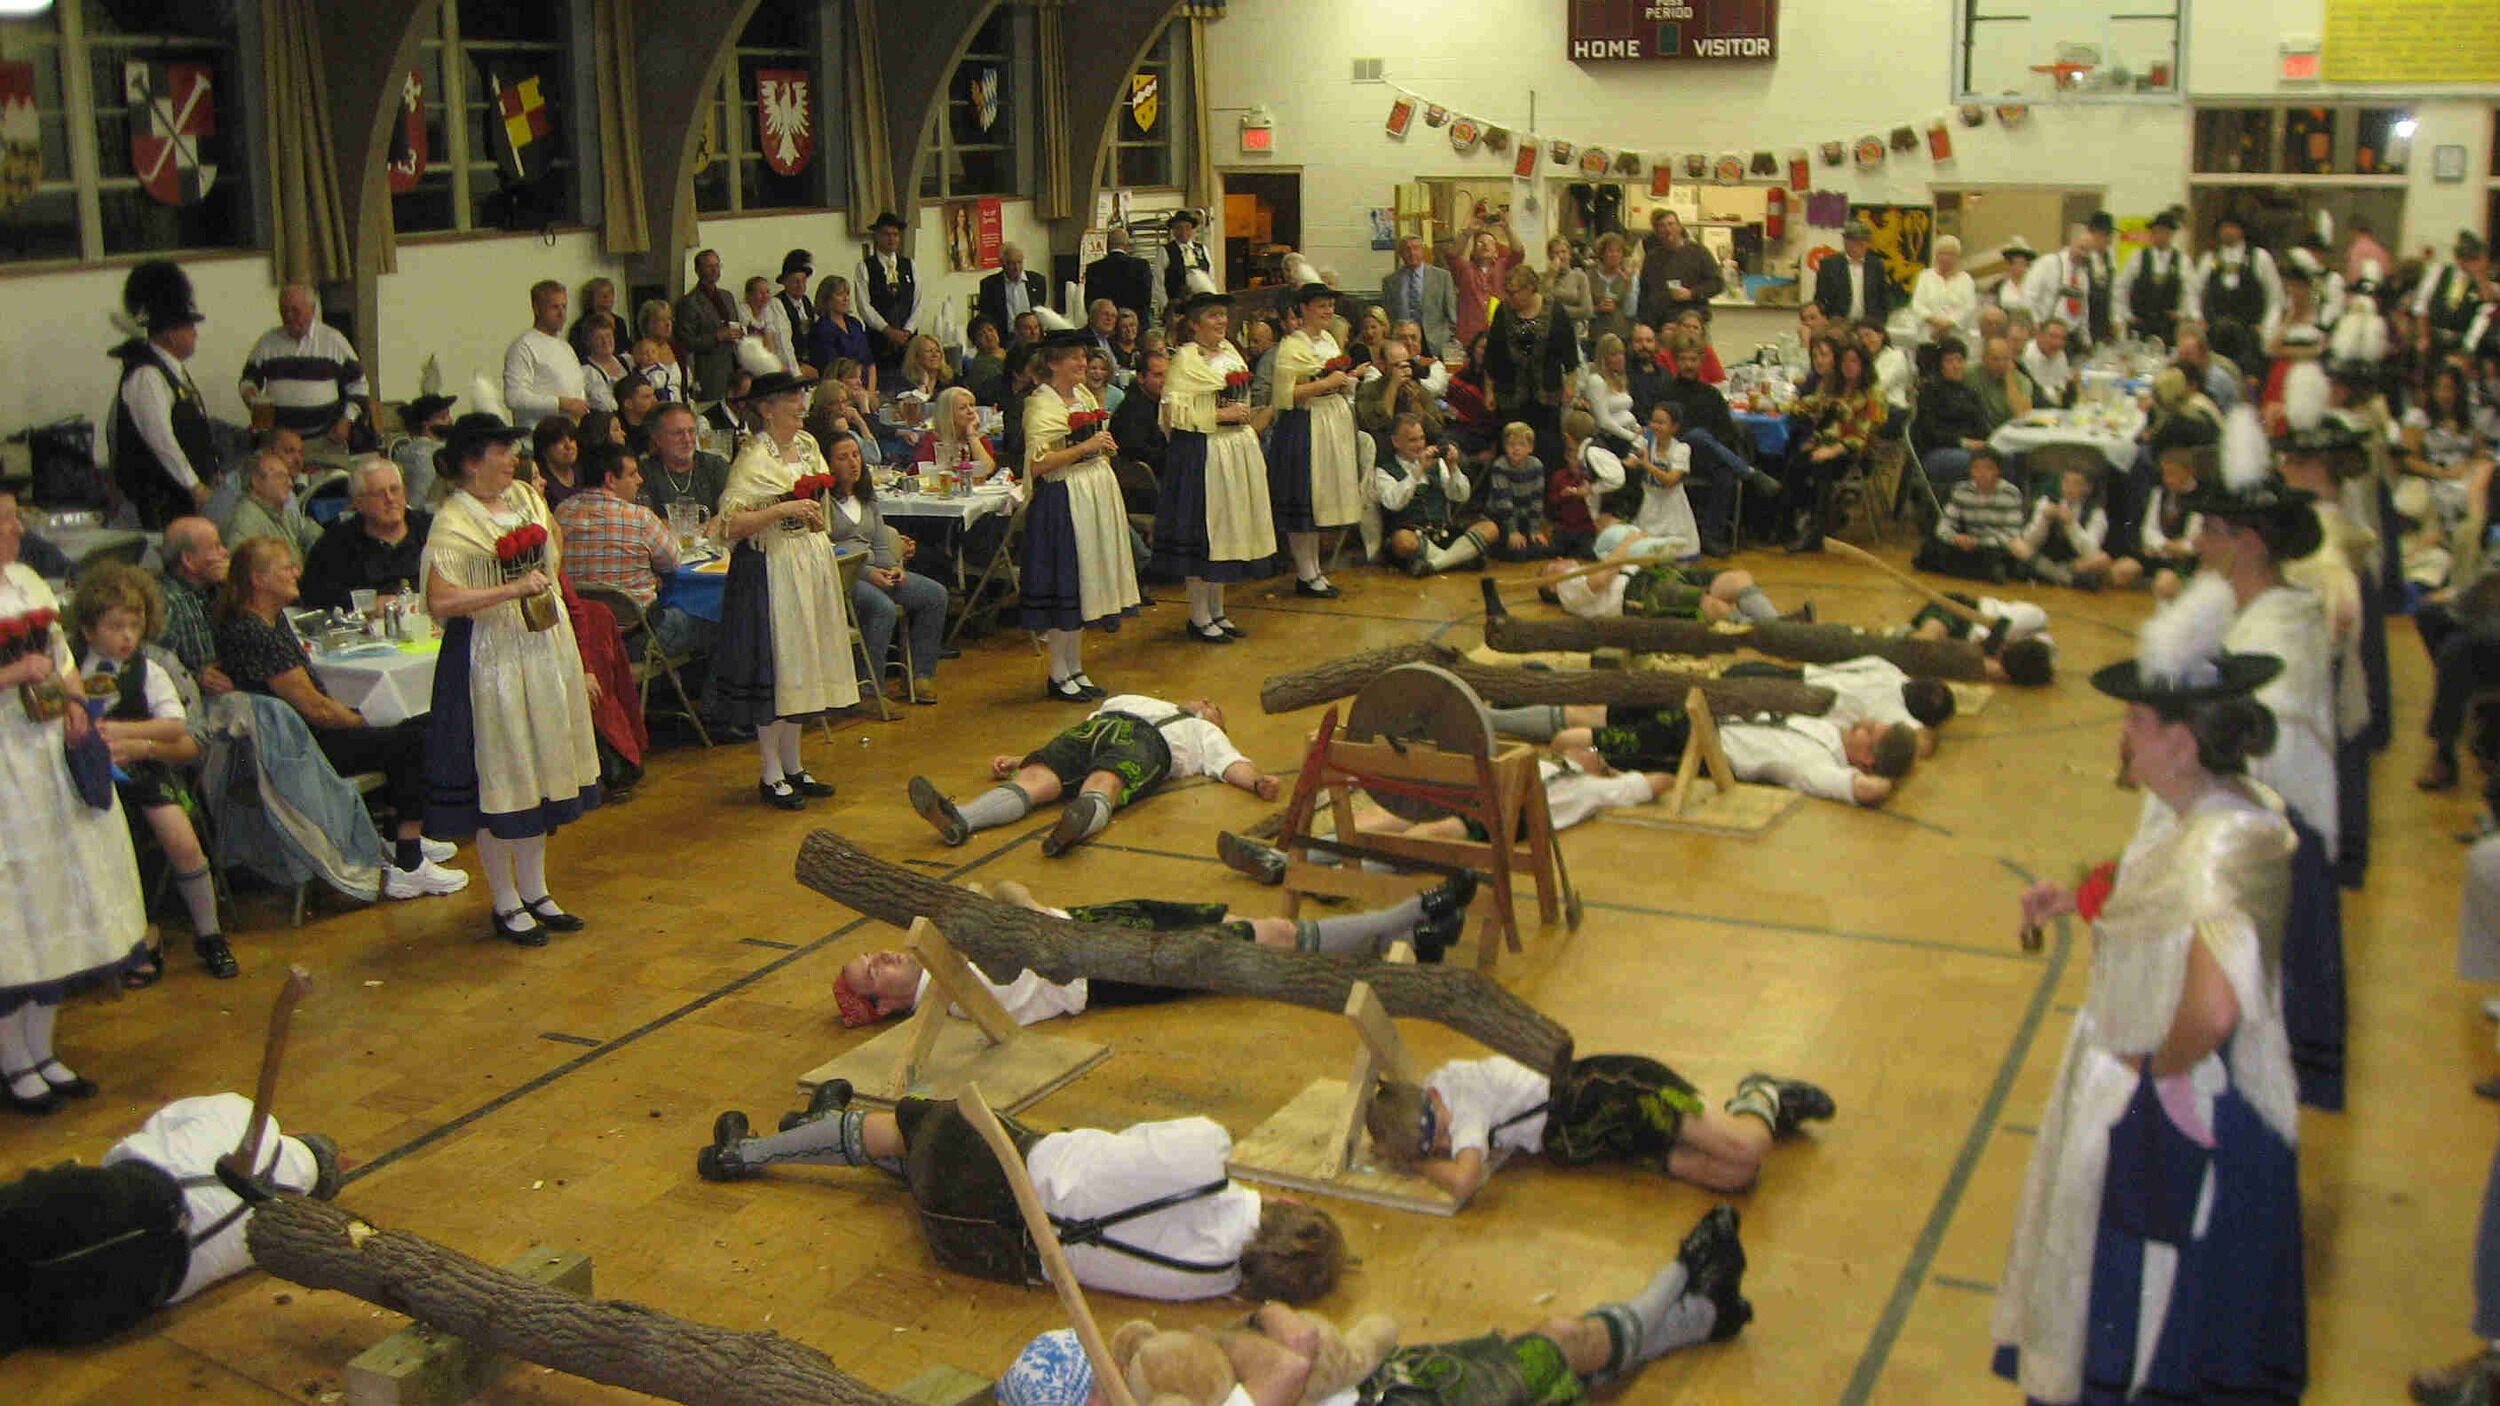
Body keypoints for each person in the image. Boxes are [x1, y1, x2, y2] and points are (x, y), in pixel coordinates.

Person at [1995, 576, 2304, 1406]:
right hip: (2176, 1097)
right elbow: (2158, 892)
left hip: (2188, 1114)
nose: (2122, 735)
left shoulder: (2220, 848)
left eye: (2136, 721)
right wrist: (2081, 898)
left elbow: (2214, 1006)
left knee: (2153, 1329)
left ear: (2183, 742)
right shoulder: (2201, 812)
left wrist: (2145, 1072)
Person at [997, 1207, 1750, 1406]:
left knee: (1559, 1348)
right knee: (1558, 1352)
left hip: (1378, 1381)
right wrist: (1266, 1332)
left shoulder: (1163, 1373)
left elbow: (1269, 1337)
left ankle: (1700, 1307)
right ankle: (1687, 1278)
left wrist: (1258, 1324)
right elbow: (1289, 1366)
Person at [696, 1087, 1344, 1308]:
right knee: (927, 1160)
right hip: (986, 1250)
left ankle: (746, 1153)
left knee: (916, 1120)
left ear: (1286, 1208)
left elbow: (1139, 1143)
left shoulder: (1206, 1159)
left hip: (983, 1172)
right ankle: (821, 1128)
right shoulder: (1213, 1283)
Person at [2194, 405, 2345, 1111]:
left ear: (2247, 542)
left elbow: (2265, 737)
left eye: (2209, 530)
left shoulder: (2281, 633)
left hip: (2281, 838)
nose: (2197, 543)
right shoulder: (2261, 612)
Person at [417, 412, 601, 944]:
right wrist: (509, 590)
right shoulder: (454, 520)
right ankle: (504, 898)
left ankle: (537, 889)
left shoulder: (524, 497)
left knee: (537, 768)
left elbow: (553, 552)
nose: (513, 459)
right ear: (473, 461)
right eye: (502, 451)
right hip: (490, 657)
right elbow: (441, 600)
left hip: (541, 647)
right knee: (503, 773)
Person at [832, 879, 1477, 1030]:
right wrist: (1010, 899)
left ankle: (1414, 933)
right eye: (875, 971)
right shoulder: (954, 998)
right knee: (1268, 941)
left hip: (1092, 923)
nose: (884, 956)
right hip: (1106, 968)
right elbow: (1018, 914)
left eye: (873, 954)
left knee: (1255, 929)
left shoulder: (945, 957)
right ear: (884, 1004)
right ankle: (1411, 916)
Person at [214, 537, 465, 899]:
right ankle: (409, 862)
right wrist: (363, 721)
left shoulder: (270, 621)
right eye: (286, 567)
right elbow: (314, 708)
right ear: (258, 579)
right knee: (411, 741)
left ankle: (399, 835)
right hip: (297, 747)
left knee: (420, 722)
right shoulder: (253, 632)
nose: (296, 573)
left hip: (304, 733)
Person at [703, 354, 861, 808]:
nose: (799, 405)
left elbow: (820, 498)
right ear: (767, 408)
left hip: (808, 558)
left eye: (800, 396)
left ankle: (794, 763)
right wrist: (783, 509)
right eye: (790, 398)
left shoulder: (808, 445)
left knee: (804, 664)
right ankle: (770, 770)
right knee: (778, 666)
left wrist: (815, 519)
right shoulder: (754, 457)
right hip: (770, 565)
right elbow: (729, 524)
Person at [1367, 1049, 1831, 1200]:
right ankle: (1756, 1113)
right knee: (1736, 1176)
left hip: (1621, 1089)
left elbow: (1465, 1180)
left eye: (1441, 1132)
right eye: (1436, 1145)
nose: (1447, 1143)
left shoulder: (1464, 1098)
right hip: (1597, 1137)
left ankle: (1761, 1092)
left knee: (1747, 1148)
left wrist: (1417, 1166)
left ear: (1431, 1097)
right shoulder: (1435, 1098)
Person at [68, 563, 228, 981]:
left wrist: (124, 732)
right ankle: (117, 941)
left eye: (134, 627)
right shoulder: (74, 671)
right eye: (115, 627)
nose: (127, 637)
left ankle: (210, 932)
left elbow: (175, 726)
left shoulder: (149, 670)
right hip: (88, 776)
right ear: (88, 631)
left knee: (181, 840)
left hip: (146, 767)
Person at [909, 692, 1276, 858]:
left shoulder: (1205, 734)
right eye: (1206, 700)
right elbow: (1077, 732)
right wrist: (1022, 758)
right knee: (1037, 775)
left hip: (1151, 744)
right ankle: (961, 819)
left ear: (1217, 725)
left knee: (1105, 781)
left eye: (1215, 709)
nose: (1207, 703)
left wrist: (1258, 781)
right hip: (1099, 728)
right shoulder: (1136, 698)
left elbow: (1233, 766)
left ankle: (1077, 823)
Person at [1019, 330, 1142, 702]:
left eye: (1084, 356)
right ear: (1054, 362)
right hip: (1063, 497)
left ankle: (1075, 667)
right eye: (1074, 357)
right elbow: (1038, 463)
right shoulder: (1041, 404)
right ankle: (1059, 672)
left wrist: (1101, 448)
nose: (1082, 363)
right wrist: (1086, 447)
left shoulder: (1085, 395)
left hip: (1092, 491)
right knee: (1067, 582)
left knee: (1086, 581)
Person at [1151, 293, 1276, 643]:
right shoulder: (1185, 359)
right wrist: (1219, 414)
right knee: (1204, 534)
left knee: (1227, 531)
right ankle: (1198, 614)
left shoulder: (1231, 352)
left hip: (1234, 449)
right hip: (1202, 451)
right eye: (1212, 316)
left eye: (1223, 315)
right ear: (1194, 324)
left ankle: (1218, 610)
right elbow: (1172, 412)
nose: (1221, 321)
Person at [1528, 697, 1917, 808]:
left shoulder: (1818, 767)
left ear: (1867, 759)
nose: (1863, 723)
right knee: (1600, 708)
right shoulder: (1830, 731)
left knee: (1570, 740)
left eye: (1869, 732)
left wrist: (1889, 778)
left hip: (1690, 745)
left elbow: (1867, 790)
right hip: (1700, 714)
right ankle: (1505, 711)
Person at [554, 441, 709, 662]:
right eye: (632, 474)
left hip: (581, 639)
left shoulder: (561, 513)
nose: (640, 480)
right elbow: (672, 562)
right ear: (610, 480)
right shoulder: (640, 518)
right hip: (637, 639)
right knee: (711, 617)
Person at [821, 432, 944, 705]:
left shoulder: (867, 496)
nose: (853, 463)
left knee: (934, 595)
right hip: (843, 574)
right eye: (843, 457)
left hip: (876, 568)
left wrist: (894, 567)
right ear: (828, 464)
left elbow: (879, 540)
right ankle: (870, 690)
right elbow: (828, 549)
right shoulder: (823, 500)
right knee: (882, 608)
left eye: (856, 455)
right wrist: (867, 573)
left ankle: (921, 675)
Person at [1265, 284, 1363, 599]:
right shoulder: (1292, 345)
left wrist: (1345, 382)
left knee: (1319, 501)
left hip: (1329, 422)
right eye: (1321, 305)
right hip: (1304, 425)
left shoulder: (1329, 340)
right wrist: (1327, 383)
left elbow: (1333, 378)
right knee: (1304, 500)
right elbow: (1286, 394)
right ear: (1305, 308)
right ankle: (1305, 571)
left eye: (1330, 305)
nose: (1328, 311)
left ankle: (1315, 568)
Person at [107, 261, 216, 530]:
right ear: (170, 334)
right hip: (157, 506)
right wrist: (194, 485)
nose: (195, 333)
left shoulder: (172, 373)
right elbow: (161, 439)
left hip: (180, 503)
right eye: (189, 326)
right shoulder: (147, 376)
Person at [1784, 338, 1885, 553]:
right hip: (1827, 443)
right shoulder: (1832, 386)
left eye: (1854, 361)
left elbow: (1862, 436)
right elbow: (1814, 407)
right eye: (1844, 361)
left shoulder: (1873, 394)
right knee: (1795, 462)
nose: (1848, 366)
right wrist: (1787, 404)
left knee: (1823, 468)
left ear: (1863, 364)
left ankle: (1816, 533)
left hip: (1856, 451)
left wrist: (1832, 451)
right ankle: (1789, 524)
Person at [239, 285, 368, 449]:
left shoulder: (333, 341)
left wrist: (347, 420)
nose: (289, 316)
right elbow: (248, 380)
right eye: (284, 311)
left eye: (295, 310)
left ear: (312, 310)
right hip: (280, 443)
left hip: (326, 440)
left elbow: (359, 385)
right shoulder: (267, 343)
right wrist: (250, 394)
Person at [1538, 543, 1788, 625]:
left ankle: (1778, 625)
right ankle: (1775, 633)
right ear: (1551, 585)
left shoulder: (1584, 569)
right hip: (1637, 595)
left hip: (1652, 576)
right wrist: (1625, 545)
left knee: (1738, 578)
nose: (1558, 560)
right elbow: (1600, 581)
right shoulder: (1565, 588)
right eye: (1552, 566)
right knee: (1711, 605)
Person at [298, 458, 431, 611]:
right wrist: (366, 604)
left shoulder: (431, 529)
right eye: (379, 493)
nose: (390, 498)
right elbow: (312, 594)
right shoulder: (336, 543)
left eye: (395, 490)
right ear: (359, 503)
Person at [1375, 412, 1495, 577]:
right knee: (1402, 541)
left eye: (1421, 438)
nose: (1419, 445)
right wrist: (1418, 470)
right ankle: (1460, 557)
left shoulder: (1438, 464)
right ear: (1396, 441)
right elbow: (1394, 503)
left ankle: (1435, 564)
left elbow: (1461, 496)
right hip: (1413, 538)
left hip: (1442, 533)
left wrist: (1453, 467)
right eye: (1412, 440)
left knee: (1490, 528)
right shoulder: (1383, 471)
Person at [1915, 446, 2027, 582]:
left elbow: (2011, 533)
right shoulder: (1961, 490)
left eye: (1987, 468)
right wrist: (1955, 538)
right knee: (1930, 548)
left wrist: (1979, 542)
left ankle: (1977, 569)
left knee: (2002, 554)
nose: (1981, 473)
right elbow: (1945, 524)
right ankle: (1979, 572)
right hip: (1967, 543)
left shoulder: (2010, 493)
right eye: (1976, 468)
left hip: (1993, 546)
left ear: (1998, 471)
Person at [2011, 463, 2118, 588]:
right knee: (2017, 544)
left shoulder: (2096, 512)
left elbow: (2091, 551)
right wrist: (2044, 521)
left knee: (2102, 559)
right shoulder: (2047, 501)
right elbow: (2030, 541)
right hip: (2045, 559)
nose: (2069, 488)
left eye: (2076, 483)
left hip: (2073, 563)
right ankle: (2065, 578)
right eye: (2066, 482)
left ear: (2087, 488)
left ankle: (2051, 576)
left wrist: (2071, 525)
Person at [1913, 338, 1998, 489]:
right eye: (1949, 361)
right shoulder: (1930, 392)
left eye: (1959, 360)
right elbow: (1930, 432)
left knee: (2007, 456)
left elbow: (1982, 425)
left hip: (1973, 449)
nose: (1956, 366)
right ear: (1940, 365)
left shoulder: (1970, 393)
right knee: (1980, 464)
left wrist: (1991, 441)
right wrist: (1964, 443)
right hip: (1938, 451)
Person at [503, 280, 589, 427]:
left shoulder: (566, 348)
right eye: (555, 307)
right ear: (537, 309)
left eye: (564, 306)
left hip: (570, 433)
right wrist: (560, 403)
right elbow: (514, 397)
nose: (562, 314)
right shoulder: (523, 346)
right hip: (537, 435)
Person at [1621, 402, 1700, 556]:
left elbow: (1671, 480)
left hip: (1671, 505)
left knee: (1673, 552)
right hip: (1647, 502)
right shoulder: (1644, 441)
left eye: (1661, 423)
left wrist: (1646, 464)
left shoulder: (1681, 449)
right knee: (1642, 550)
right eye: (1653, 421)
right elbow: (1629, 462)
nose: (1655, 426)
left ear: (1674, 427)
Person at [2186, 213, 2282, 339]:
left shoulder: (2260, 257)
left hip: (2250, 335)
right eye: (2224, 228)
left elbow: (2275, 296)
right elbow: (2193, 292)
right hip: (2215, 334)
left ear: (2241, 230)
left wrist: (2267, 328)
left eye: (2232, 227)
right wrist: (2198, 318)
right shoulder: (2209, 259)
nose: (2228, 232)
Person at [636, 402, 731, 520]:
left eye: (691, 431)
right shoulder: (643, 473)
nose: (687, 439)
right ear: (657, 438)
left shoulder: (715, 466)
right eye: (678, 433)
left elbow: (732, 513)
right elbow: (642, 519)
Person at [675, 248, 746, 401]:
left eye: (717, 265)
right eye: (709, 266)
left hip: (734, 365)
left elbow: (735, 323)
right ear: (698, 270)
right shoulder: (689, 303)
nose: (715, 270)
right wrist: (716, 337)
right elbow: (686, 342)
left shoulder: (727, 296)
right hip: (709, 371)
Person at [2114, 208, 2190, 346]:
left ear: (2172, 234)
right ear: (2152, 233)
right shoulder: (2137, 257)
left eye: (2165, 232)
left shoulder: (2182, 260)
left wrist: (2181, 313)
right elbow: (2122, 287)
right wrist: (2126, 314)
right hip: (2140, 324)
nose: (2161, 236)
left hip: (2167, 327)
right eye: (2158, 231)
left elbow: (2189, 290)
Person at [221, 451, 317, 558]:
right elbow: (243, 565)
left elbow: (310, 533)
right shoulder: (245, 522)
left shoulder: (285, 515)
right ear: (256, 481)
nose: (290, 484)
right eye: (281, 476)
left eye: (289, 477)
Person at [2413, 230, 2492, 358]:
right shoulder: (2439, 272)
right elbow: (2422, 305)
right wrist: (2423, 336)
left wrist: (2480, 275)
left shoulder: (2482, 282)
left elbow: (2488, 304)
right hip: (2434, 336)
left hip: (2461, 342)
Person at [1642, 210, 1725, 331]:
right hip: (1662, 324)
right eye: (1662, 226)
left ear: (1680, 227)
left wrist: (1692, 293)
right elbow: (1644, 293)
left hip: (1693, 323)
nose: (1667, 229)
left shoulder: (1699, 252)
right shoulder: (1652, 258)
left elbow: (1717, 283)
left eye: (1671, 224)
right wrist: (1647, 323)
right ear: (1656, 232)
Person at [1450, 216, 1524, 349]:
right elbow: (1452, 255)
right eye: (1480, 242)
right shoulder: (1465, 269)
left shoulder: (1504, 266)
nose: (1485, 245)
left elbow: (1518, 252)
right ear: (1473, 251)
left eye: (1490, 243)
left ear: (1496, 252)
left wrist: (1507, 228)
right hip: (1469, 337)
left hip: (1500, 332)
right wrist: (1468, 232)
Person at [1380, 233, 1459, 357]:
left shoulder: (1442, 277)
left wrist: (1446, 336)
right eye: (1407, 249)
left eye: (1416, 248)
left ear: (1423, 250)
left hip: (1434, 342)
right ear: (1400, 254)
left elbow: (1451, 314)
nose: (1412, 253)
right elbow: (1387, 315)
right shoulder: (1390, 281)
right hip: (1402, 342)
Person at [2024, 225, 2102, 351]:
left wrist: (2086, 341)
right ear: (2071, 243)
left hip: (2070, 339)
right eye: (2081, 248)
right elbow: (2028, 295)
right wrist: (2035, 324)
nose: (2084, 254)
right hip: (2044, 335)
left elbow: (2083, 310)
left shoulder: (2083, 275)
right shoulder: (2048, 263)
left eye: (2088, 251)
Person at [1483, 421, 1551, 560]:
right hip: (1501, 519)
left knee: (1543, 549)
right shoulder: (1500, 466)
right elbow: (1503, 503)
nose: (1516, 449)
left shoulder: (1536, 465)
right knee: (1517, 553)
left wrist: (1534, 529)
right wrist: (1512, 531)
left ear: (1530, 448)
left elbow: (1537, 500)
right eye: (1511, 444)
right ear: (1505, 447)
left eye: (1521, 444)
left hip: (1524, 518)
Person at [1814, 219, 1895, 325]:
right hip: (1837, 324)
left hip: (1869, 323)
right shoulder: (1829, 265)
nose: (1858, 244)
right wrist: (1828, 321)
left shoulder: (1876, 265)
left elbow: (1884, 296)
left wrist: (1880, 320)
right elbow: (1820, 298)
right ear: (1845, 242)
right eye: (1853, 240)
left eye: (1863, 241)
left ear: (1868, 243)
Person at [390, 392, 456, 509]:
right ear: (426, 425)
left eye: (448, 415)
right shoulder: (424, 453)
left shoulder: (410, 449)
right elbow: (423, 501)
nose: (450, 420)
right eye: (443, 417)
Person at [1910, 234, 1979, 344]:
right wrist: (1934, 321)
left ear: (1957, 257)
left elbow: (1969, 307)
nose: (1946, 258)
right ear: (1936, 255)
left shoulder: (1966, 280)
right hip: (1928, 336)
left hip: (1956, 338)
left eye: (1951, 254)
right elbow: (1917, 304)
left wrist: (1948, 324)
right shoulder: (1925, 276)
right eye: (1942, 253)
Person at [1086, 225, 1156, 323]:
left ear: (1107, 245)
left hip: (1105, 323)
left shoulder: (1094, 268)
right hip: (1132, 323)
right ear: (1127, 246)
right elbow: (1146, 298)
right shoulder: (1141, 266)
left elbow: (1090, 302)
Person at [977, 243, 1049, 333]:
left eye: (1019, 262)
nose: (1016, 268)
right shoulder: (989, 285)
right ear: (1002, 263)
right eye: (1011, 263)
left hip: (1032, 335)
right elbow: (986, 318)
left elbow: (1041, 310)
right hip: (1004, 336)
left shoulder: (1037, 281)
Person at [1157, 208, 1217, 315]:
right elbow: (1158, 282)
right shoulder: (1166, 251)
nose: (1183, 232)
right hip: (1178, 307)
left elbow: (1211, 277)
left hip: (1202, 306)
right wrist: (1167, 308)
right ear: (1173, 230)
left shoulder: (1202, 249)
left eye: (1187, 228)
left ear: (1192, 230)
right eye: (1179, 228)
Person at [632, 301, 686, 406]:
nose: (668, 324)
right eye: (662, 320)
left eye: (669, 319)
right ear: (648, 324)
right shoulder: (638, 351)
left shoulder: (677, 350)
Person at [530, 413, 583, 510]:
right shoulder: (540, 480)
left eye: (571, 439)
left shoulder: (582, 470)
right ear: (544, 449)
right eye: (560, 441)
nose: (569, 446)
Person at [1994, 239, 2039, 315]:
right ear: (2009, 266)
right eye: (2016, 263)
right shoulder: (1999, 286)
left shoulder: (2034, 285)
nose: (2019, 267)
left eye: (2023, 264)